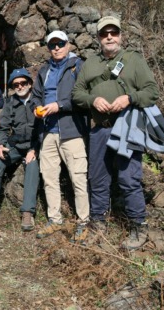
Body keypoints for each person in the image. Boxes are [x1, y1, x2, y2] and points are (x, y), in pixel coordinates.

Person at [72, 16, 159, 250]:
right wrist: (93, 99)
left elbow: (152, 91)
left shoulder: (134, 60)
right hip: (100, 129)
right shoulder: (90, 63)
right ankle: (98, 224)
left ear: (121, 35)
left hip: (128, 128)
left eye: (114, 32)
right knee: (98, 178)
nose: (109, 37)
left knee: (129, 178)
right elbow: (77, 93)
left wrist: (130, 98)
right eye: (104, 33)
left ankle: (139, 227)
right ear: (98, 38)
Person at [31, 30, 90, 244]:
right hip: (48, 132)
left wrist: (60, 105)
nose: (56, 48)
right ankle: (55, 219)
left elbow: (84, 97)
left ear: (68, 44)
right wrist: (36, 107)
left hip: (72, 131)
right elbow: (36, 96)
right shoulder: (44, 70)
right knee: (49, 178)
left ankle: (83, 222)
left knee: (78, 178)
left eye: (60, 44)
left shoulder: (78, 67)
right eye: (52, 45)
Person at [0, 69, 40, 232]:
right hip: (16, 145)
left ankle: (28, 212)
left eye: (23, 83)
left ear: (29, 84)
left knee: (32, 166)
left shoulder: (38, 101)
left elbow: (44, 128)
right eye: (16, 84)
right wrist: (1, 145)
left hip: (34, 145)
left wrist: (34, 149)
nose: (20, 87)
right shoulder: (10, 102)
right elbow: (4, 127)